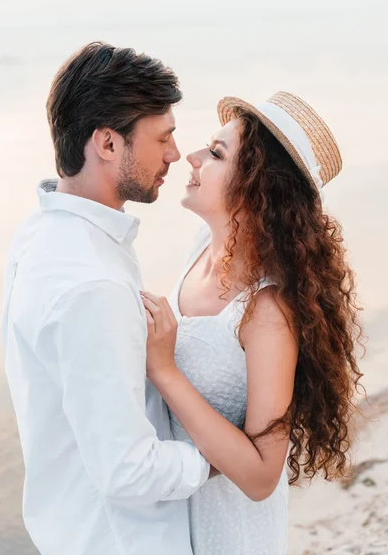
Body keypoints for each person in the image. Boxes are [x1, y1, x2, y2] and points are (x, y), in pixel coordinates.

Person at [1, 41, 211, 555]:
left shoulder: (41, 236)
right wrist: (213, 455)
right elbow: (127, 470)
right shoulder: (91, 280)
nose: (175, 155)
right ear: (108, 144)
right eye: (162, 138)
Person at [141, 92, 363, 554]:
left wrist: (163, 371)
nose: (193, 157)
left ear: (257, 187)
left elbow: (263, 474)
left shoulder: (267, 310)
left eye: (217, 153)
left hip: (231, 533)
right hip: (171, 517)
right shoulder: (200, 246)